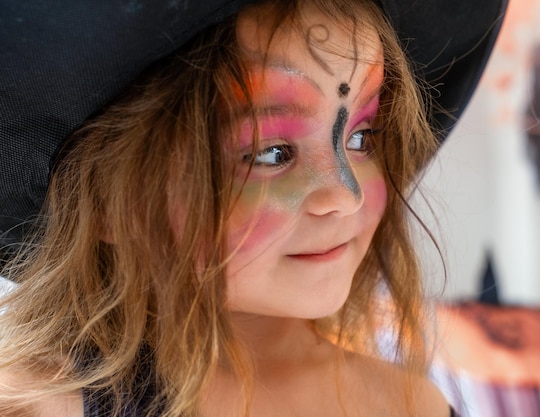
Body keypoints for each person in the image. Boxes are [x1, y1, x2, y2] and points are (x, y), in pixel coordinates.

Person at [0, 0, 506, 416]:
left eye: (360, 137)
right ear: (109, 205)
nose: (344, 195)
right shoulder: (37, 403)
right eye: (271, 153)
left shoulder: (408, 406)